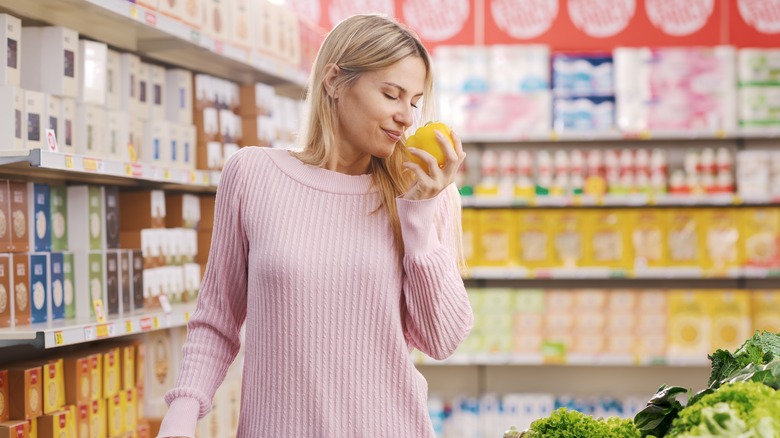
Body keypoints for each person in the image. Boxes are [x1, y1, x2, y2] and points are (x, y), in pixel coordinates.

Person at [157, 13, 474, 438]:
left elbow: (443, 339)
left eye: (414, 102)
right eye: (391, 94)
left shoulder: (423, 194)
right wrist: (179, 417)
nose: (406, 117)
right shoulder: (253, 174)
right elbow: (217, 320)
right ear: (334, 81)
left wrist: (418, 215)